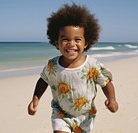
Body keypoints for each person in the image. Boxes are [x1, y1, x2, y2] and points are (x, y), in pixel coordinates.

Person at [28, 3, 118, 133]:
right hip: (60, 113)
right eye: (65, 39)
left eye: (77, 39)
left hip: (85, 115)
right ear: (56, 42)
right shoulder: (52, 65)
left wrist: (112, 99)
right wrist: (35, 98)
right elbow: (43, 80)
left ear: (86, 42)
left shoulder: (92, 65)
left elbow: (106, 82)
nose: (71, 44)